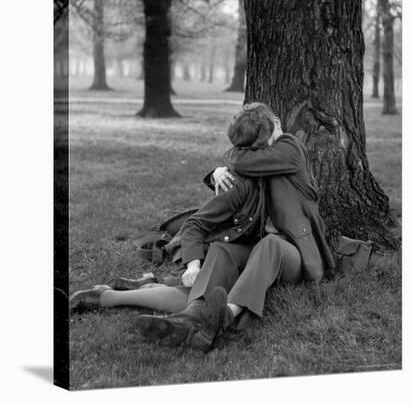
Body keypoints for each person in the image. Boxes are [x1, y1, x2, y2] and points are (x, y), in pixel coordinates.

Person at [70, 103, 334, 352]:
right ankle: (186, 316)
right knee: (221, 252)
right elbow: (206, 213)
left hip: (294, 256)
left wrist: (223, 165)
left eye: (260, 147)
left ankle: (225, 316)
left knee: (271, 244)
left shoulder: (290, 147)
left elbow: (242, 160)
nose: (262, 152)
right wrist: (194, 264)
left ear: (277, 123)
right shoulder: (247, 178)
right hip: (256, 255)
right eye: (256, 148)